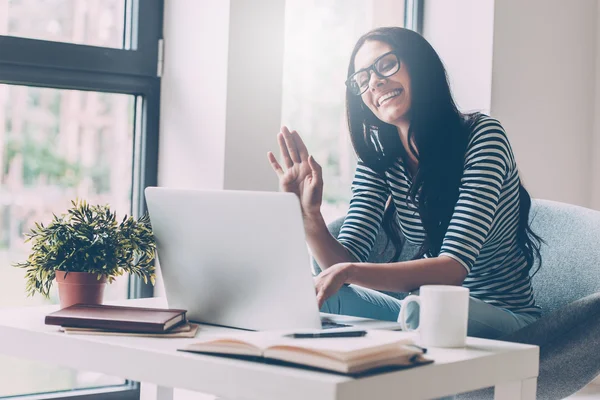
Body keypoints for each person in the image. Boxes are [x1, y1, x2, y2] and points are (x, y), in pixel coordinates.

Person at [267, 27, 542, 339]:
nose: (375, 82)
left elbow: (452, 269)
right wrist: (310, 218)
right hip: (420, 309)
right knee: (315, 294)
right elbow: (342, 268)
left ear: (420, 66)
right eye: (362, 79)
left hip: (500, 316)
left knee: (425, 309)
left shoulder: (482, 136)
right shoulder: (380, 157)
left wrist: (351, 272)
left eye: (385, 65)